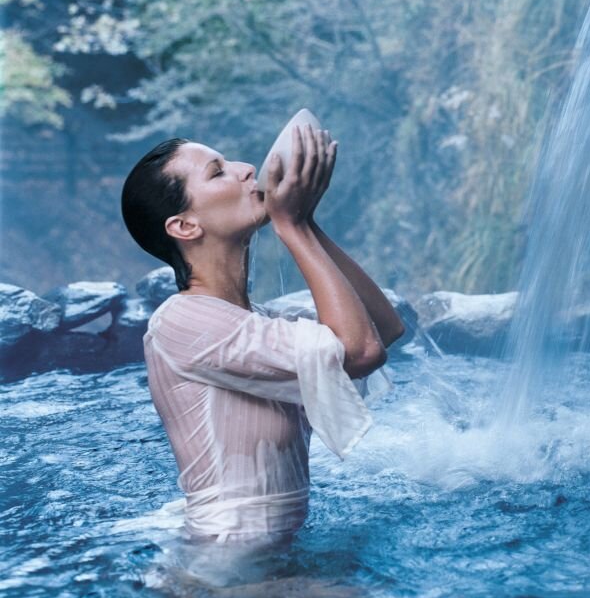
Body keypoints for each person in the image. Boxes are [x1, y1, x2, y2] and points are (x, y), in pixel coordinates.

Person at [119, 123, 405, 549]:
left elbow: (382, 329)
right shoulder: (181, 322)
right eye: (217, 172)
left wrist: (306, 221)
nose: (246, 168)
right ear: (184, 226)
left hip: (264, 553)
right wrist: (291, 227)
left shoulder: (253, 323)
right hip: (226, 564)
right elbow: (360, 351)